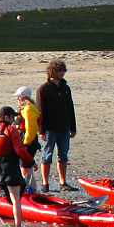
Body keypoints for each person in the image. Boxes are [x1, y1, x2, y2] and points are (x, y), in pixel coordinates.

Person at [36, 59, 78, 193]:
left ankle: (63, 182)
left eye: (64, 70)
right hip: (49, 129)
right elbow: (40, 111)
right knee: (47, 155)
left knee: (63, 155)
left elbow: (70, 108)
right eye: (61, 70)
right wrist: (41, 130)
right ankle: (45, 183)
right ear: (54, 71)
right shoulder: (44, 89)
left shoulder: (65, 88)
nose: (63, 73)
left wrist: (73, 127)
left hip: (64, 127)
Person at [14, 86, 41, 193]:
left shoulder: (29, 109)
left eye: (19, 97)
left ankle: (32, 192)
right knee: (25, 168)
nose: (17, 99)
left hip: (28, 141)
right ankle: (30, 190)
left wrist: (26, 143)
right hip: (23, 138)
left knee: (26, 169)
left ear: (25, 98)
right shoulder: (23, 107)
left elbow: (31, 127)